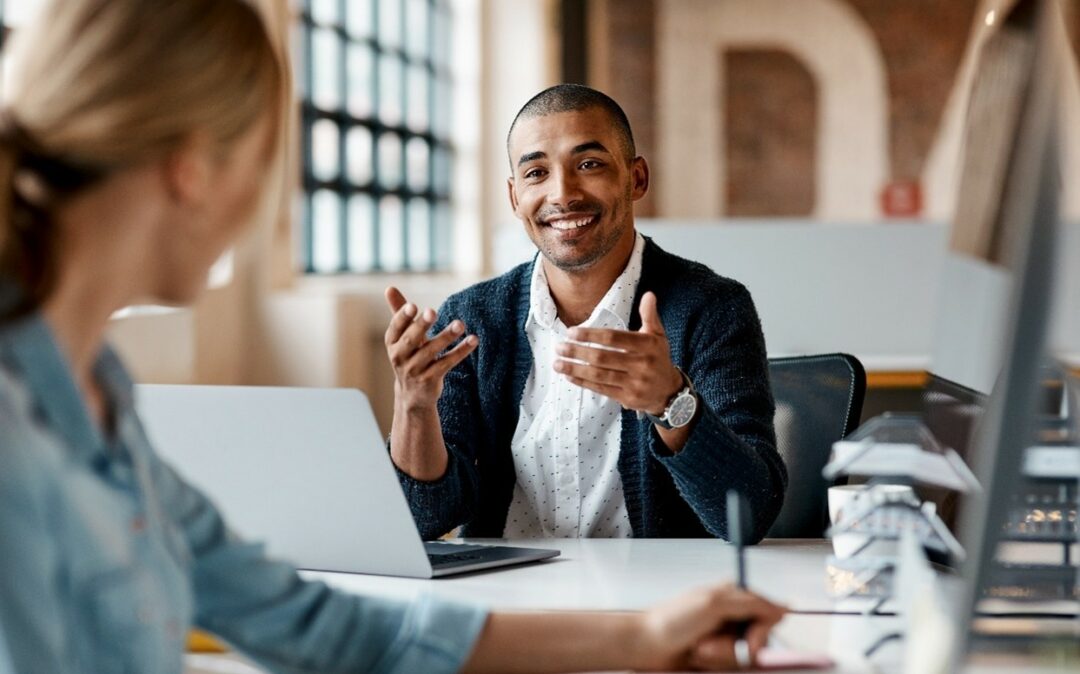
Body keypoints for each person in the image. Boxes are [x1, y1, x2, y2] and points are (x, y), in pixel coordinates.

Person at [0, 1, 788, 672]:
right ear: (194, 169)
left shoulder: (101, 395)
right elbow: (423, 520)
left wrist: (644, 635)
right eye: (269, 160)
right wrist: (414, 407)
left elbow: (320, 628)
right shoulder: (26, 414)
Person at [386, 84, 787, 543]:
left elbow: (750, 517)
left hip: (656, 603)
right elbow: (425, 521)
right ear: (515, 197)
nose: (563, 193)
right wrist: (413, 407)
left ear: (636, 179)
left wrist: (672, 403)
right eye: (536, 172)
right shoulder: (471, 318)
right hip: (512, 597)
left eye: (589, 164)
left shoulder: (711, 309)